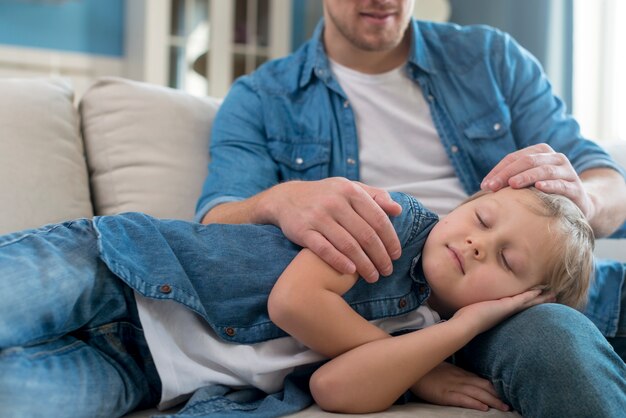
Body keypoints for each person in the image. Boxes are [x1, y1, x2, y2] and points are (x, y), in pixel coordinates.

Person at [196, 0, 626, 416]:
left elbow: (609, 184)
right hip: (457, 317)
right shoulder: (262, 96)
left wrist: (586, 202)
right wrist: (279, 200)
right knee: (553, 339)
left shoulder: (491, 58)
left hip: (549, 285)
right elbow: (216, 219)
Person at [0, 187, 593, 418]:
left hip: (141, 371)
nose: (475, 244)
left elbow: (337, 390)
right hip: (119, 269)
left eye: (507, 262)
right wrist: (426, 368)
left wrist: (453, 338)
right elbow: (295, 303)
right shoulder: (396, 225)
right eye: (482, 219)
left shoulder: (428, 345)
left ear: (519, 301)